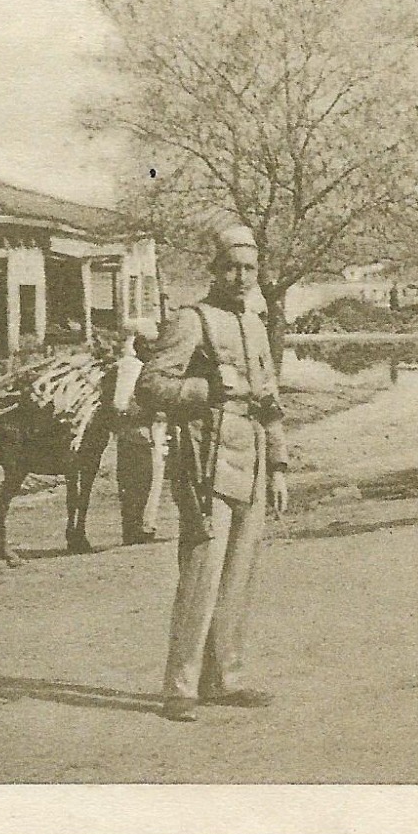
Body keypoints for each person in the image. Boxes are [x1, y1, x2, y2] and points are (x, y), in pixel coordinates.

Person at [135, 225, 290, 723]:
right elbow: (150, 386)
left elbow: (269, 401)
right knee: (201, 573)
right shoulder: (191, 320)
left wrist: (280, 466)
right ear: (215, 270)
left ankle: (224, 678)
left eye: (249, 267)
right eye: (231, 266)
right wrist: (205, 390)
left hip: (254, 461)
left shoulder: (258, 323)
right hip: (205, 462)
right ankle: (179, 687)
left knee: (239, 574)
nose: (240, 276)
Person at [115, 319, 165, 546]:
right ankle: (134, 529)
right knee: (136, 483)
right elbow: (121, 404)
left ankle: (144, 526)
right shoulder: (130, 367)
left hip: (149, 432)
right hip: (135, 433)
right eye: (146, 344)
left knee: (150, 481)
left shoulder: (147, 366)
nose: (150, 350)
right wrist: (148, 409)